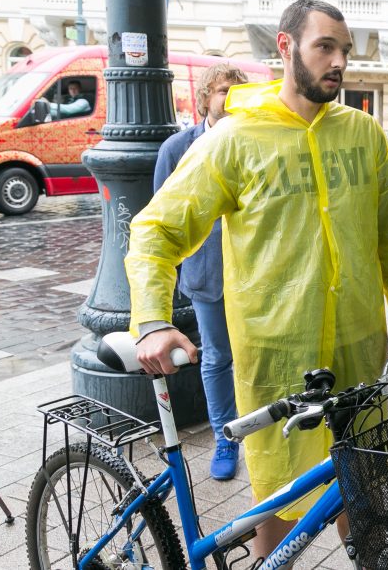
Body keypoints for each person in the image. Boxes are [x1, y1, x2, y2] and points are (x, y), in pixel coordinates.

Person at [124, 0, 388, 557]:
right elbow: (156, 229)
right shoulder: (236, 139)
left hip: (359, 350)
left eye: (345, 51)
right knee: (281, 501)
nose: (338, 62)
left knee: (369, 492)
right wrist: (153, 321)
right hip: (278, 358)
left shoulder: (365, 134)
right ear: (285, 48)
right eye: (325, 47)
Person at [152, 62, 249, 481]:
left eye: (239, 91)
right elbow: (161, 215)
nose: (232, 99)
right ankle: (225, 436)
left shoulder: (254, 140)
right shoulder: (177, 148)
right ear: (205, 96)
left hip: (254, 273)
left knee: (257, 355)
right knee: (217, 357)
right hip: (207, 274)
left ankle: (262, 432)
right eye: (225, 90)